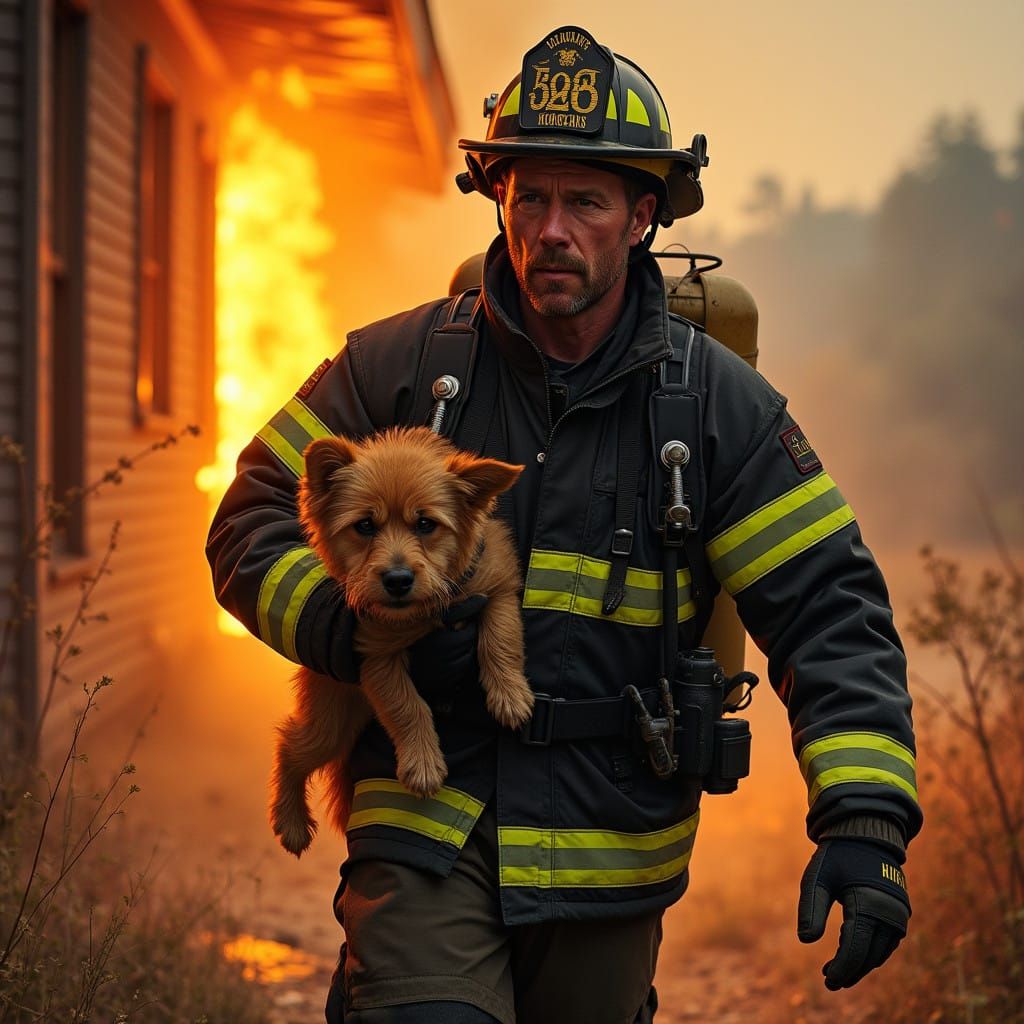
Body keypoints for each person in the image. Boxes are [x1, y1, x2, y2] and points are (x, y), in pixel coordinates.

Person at [206, 25, 921, 1024]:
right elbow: (246, 521)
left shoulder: (714, 409)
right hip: (425, 818)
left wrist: (863, 818)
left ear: (641, 217)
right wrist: (346, 629)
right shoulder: (394, 367)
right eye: (529, 196)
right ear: (497, 201)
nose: (551, 229)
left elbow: (830, 609)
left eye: (584, 200)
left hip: (610, 848)